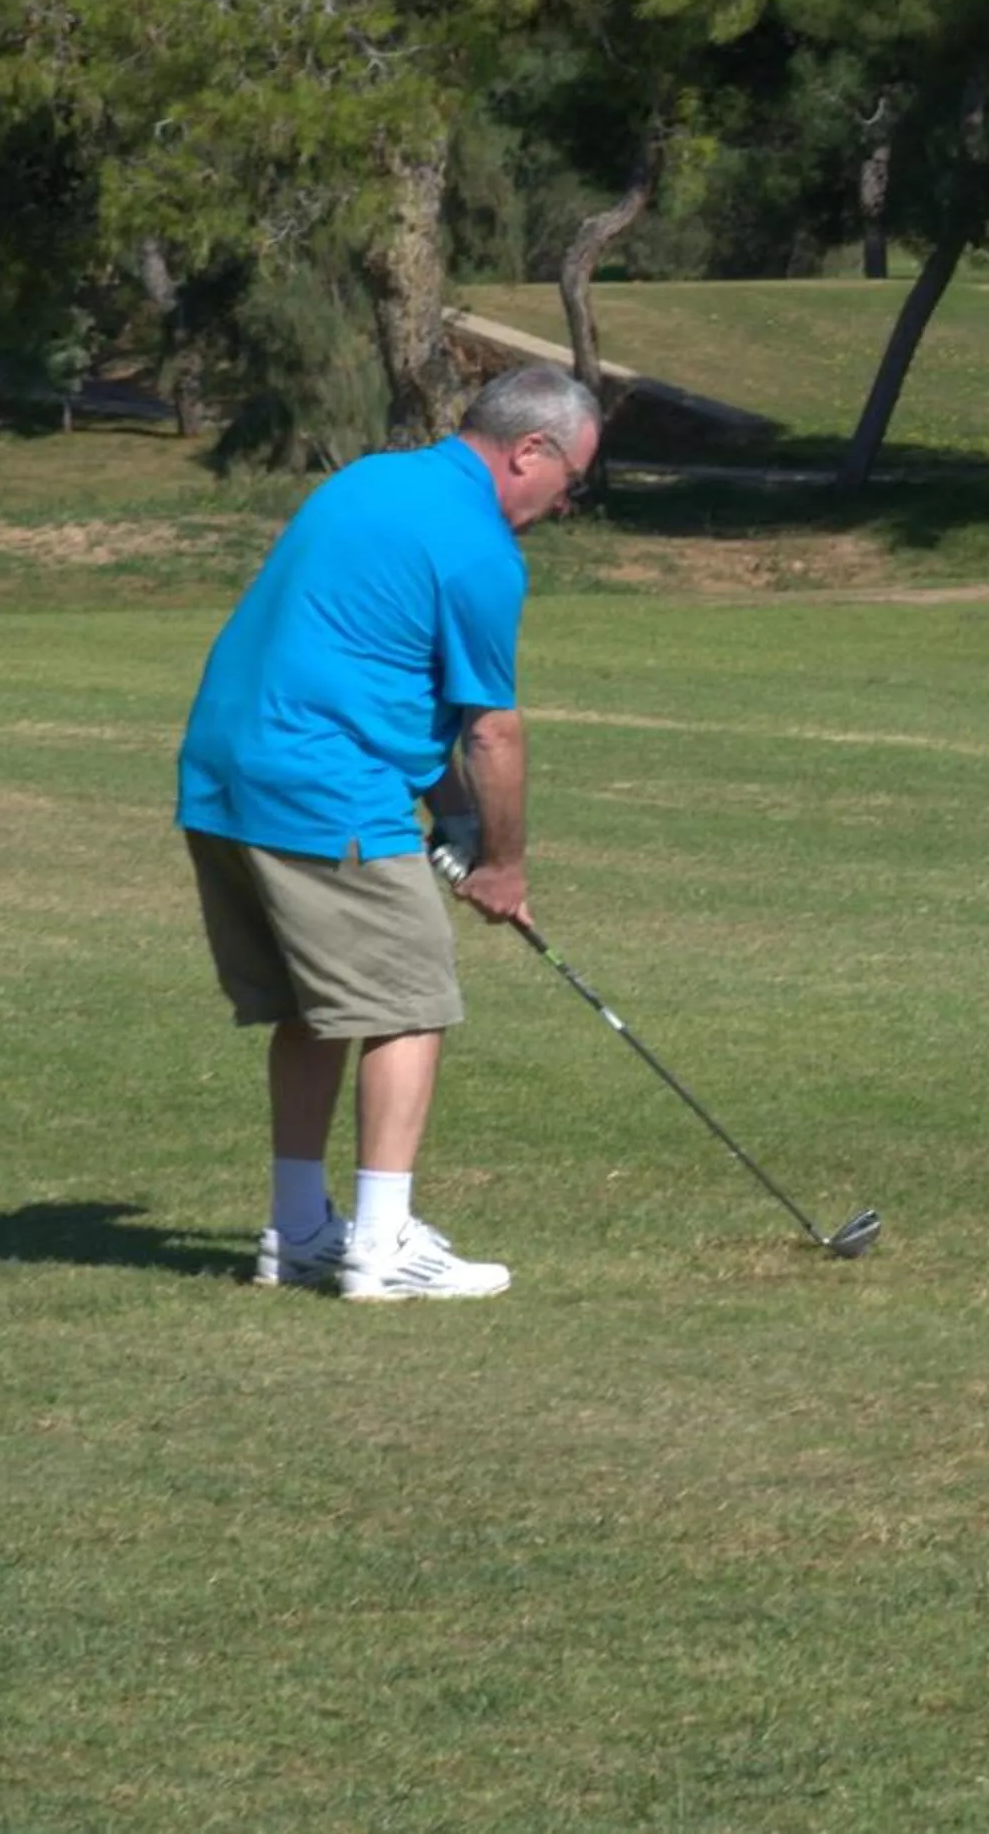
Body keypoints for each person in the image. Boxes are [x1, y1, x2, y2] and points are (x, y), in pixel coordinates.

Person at [175, 364, 601, 1301]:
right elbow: (491, 728)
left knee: (313, 1007)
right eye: (570, 482)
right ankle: (381, 1245)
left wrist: (450, 820)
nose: (565, 504)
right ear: (529, 450)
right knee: (410, 1003)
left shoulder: (369, 478)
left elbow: (383, 674)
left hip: (223, 775)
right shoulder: (482, 551)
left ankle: (297, 1234)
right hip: (326, 786)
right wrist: (502, 864)